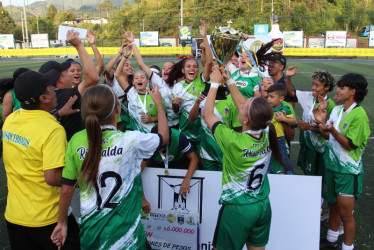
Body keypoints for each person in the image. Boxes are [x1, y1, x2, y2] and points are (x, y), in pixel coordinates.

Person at [51, 84, 169, 249]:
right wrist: (158, 104)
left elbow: (66, 189)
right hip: (127, 238)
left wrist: (62, 223)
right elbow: (163, 137)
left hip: (91, 235)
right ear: (117, 110)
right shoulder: (131, 140)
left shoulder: (76, 141)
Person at [203, 68, 282, 250]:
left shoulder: (233, 140)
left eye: (245, 106)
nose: (242, 104)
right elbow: (246, 108)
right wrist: (229, 80)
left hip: (238, 209)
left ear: (246, 119)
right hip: (262, 205)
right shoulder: (268, 131)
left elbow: (208, 115)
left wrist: (214, 83)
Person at [3, 70, 80, 249]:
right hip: (47, 219)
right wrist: (81, 173)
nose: (54, 89)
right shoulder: (53, 131)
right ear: (43, 98)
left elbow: (34, 126)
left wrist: (59, 113)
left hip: (15, 216)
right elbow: (52, 178)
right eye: (50, 88)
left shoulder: (12, 119)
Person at [314, 73, 370, 250]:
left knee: (346, 214)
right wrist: (322, 124)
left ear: (353, 91)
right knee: (333, 206)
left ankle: (348, 246)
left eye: (342, 88)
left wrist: (333, 131)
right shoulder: (337, 110)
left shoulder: (359, 115)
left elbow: (351, 145)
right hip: (331, 167)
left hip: (347, 171)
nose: (337, 91)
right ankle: (331, 239)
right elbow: (328, 136)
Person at [39, 30, 100, 140]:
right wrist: (79, 45)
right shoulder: (66, 96)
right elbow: (93, 78)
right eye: (67, 72)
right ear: (60, 79)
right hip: (74, 149)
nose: (71, 75)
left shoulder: (42, 98)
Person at [286, 67, 336, 176]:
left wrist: (310, 127)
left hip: (319, 150)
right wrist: (288, 77)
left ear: (327, 87)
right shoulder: (309, 97)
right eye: (313, 84)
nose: (313, 87)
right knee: (307, 174)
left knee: (318, 178)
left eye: (317, 85)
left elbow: (330, 132)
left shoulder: (331, 106)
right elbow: (291, 92)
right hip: (307, 145)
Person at [171, 20, 213, 148]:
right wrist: (175, 104)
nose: (192, 69)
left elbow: (210, 63)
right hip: (185, 131)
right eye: (188, 66)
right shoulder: (177, 86)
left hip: (202, 131)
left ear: (198, 70)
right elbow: (175, 111)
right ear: (183, 71)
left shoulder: (202, 80)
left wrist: (204, 37)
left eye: (195, 66)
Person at [127, 30, 179, 129]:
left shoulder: (180, 85)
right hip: (163, 124)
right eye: (163, 68)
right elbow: (141, 64)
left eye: (169, 68)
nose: (166, 70)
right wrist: (133, 42)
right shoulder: (158, 81)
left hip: (178, 123)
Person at [144, 125, 198, 196]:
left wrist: (187, 179)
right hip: (156, 163)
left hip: (178, 162)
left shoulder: (179, 137)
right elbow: (138, 170)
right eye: (157, 146)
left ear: (169, 138)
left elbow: (194, 159)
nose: (160, 149)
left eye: (163, 146)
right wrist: (143, 198)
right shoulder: (147, 141)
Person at [266, 83, 296, 174]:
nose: (268, 99)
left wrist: (283, 119)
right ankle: (267, 172)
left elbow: (293, 121)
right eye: (268, 97)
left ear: (281, 98)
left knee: (283, 157)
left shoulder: (285, 108)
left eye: (271, 97)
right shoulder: (266, 108)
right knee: (267, 158)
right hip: (267, 139)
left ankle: (289, 171)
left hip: (279, 139)